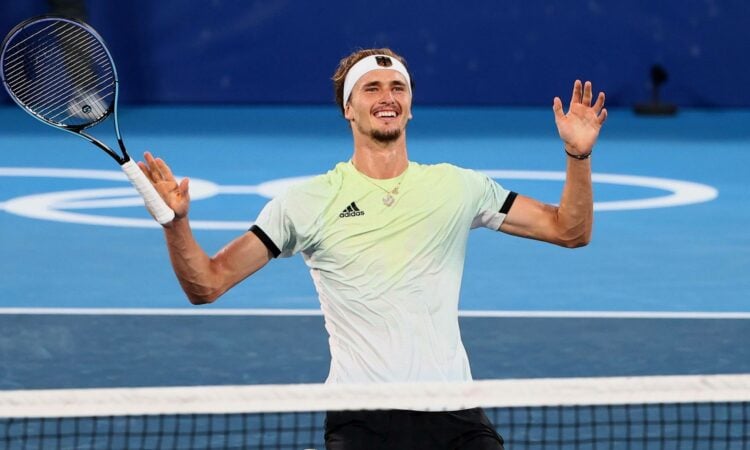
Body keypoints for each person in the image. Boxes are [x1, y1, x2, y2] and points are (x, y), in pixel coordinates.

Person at [138, 48, 607, 450]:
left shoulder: (459, 187)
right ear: (349, 108)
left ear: (410, 107)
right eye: (372, 88)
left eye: (398, 88)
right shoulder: (305, 203)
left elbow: (569, 230)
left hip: (455, 410)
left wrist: (578, 155)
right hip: (363, 416)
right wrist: (175, 224)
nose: (388, 97)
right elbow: (208, 283)